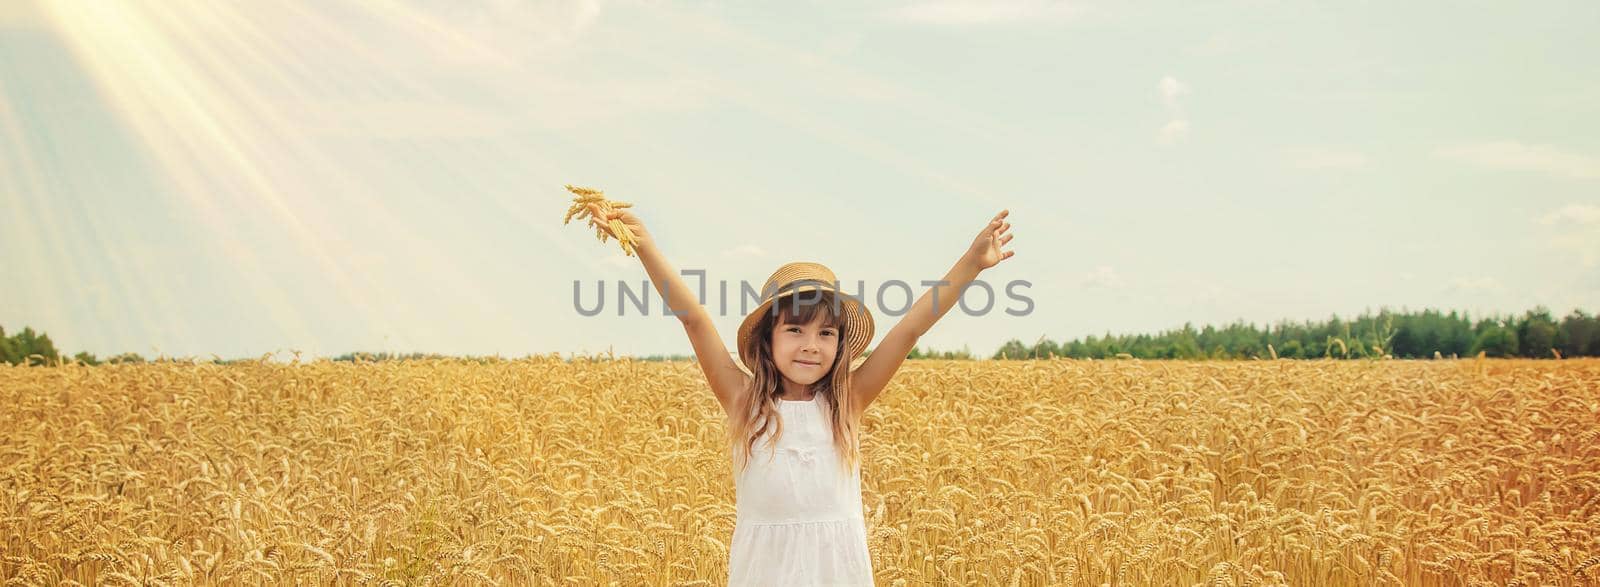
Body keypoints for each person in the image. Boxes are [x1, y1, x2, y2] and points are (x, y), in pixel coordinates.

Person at [585, 203, 1016, 586]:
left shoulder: (847, 401)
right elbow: (694, 320)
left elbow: (910, 329)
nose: (811, 344)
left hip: (838, 572)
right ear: (767, 339)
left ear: (839, 344)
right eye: (795, 329)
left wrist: (972, 264)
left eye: (825, 333)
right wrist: (643, 246)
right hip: (764, 572)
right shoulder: (743, 399)